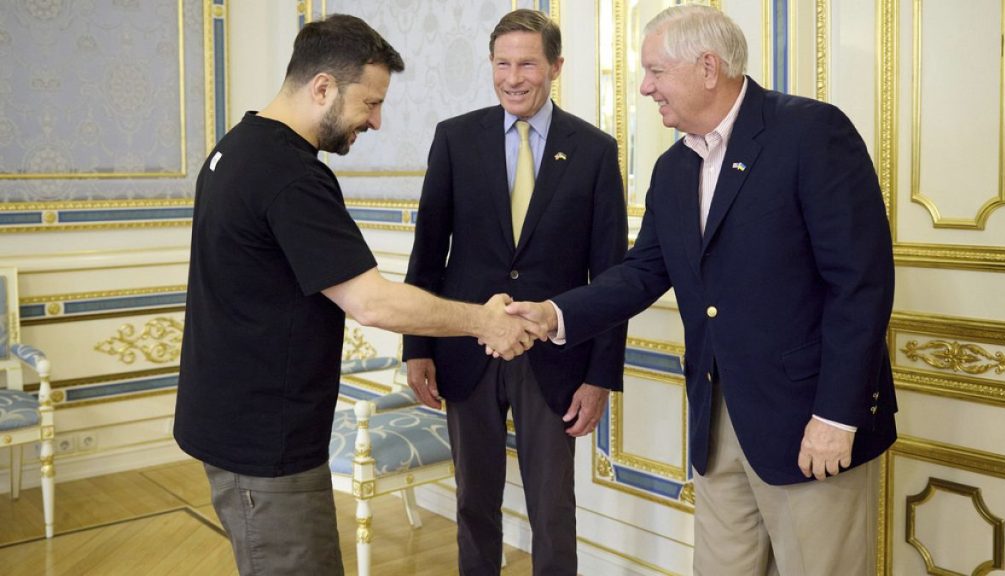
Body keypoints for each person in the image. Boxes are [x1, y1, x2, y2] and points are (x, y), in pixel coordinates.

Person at [506, 5, 897, 575]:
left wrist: (837, 417)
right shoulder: (673, 168)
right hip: (717, 421)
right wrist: (552, 314)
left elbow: (860, 283)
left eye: (656, 72)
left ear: (707, 67)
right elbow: (643, 271)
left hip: (808, 420)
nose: (645, 87)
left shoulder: (811, 133)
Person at [174, 15, 544, 576]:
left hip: (233, 423)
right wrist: (484, 322)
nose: (375, 121)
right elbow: (371, 302)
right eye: (369, 103)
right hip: (265, 442)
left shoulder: (237, 147)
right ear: (323, 87)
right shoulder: (290, 174)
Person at [402, 9, 627, 575]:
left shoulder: (595, 151)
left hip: (556, 360)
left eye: (527, 63)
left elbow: (613, 276)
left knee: (553, 510)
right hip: (464, 351)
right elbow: (428, 252)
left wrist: (600, 376)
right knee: (473, 503)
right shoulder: (454, 139)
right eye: (502, 63)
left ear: (555, 67)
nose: (512, 77)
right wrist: (417, 347)